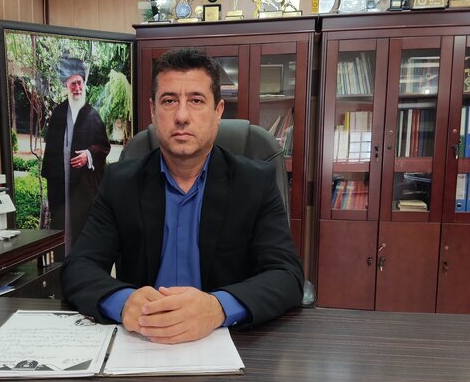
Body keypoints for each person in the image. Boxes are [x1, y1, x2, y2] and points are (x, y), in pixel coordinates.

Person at [61, 48, 304, 345]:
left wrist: (218, 307)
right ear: (153, 111)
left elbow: (287, 275)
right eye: (169, 100)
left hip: (226, 341)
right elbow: (78, 267)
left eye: (196, 100)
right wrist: (123, 302)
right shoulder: (120, 183)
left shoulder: (255, 183)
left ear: (218, 111)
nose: (181, 116)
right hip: (142, 340)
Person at [41, 56, 110, 254]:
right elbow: (51, 152)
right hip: (60, 185)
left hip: (83, 188)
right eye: (73, 84)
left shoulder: (92, 115)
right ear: (66, 85)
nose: (77, 88)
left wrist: (88, 155)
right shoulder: (58, 114)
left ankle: (80, 264)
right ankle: (60, 266)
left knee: (82, 226)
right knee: (61, 225)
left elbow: (104, 147)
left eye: (80, 83)